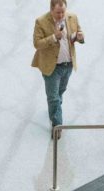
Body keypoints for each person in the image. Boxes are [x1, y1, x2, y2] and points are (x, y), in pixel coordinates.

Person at [31, 0, 84, 133]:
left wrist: (79, 37)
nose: (61, 15)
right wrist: (54, 37)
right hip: (52, 66)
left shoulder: (72, 17)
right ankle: (57, 125)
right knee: (54, 97)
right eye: (58, 12)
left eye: (63, 12)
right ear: (51, 10)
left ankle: (53, 109)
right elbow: (37, 44)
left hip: (68, 64)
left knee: (60, 92)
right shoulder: (41, 21)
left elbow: (78, 33)